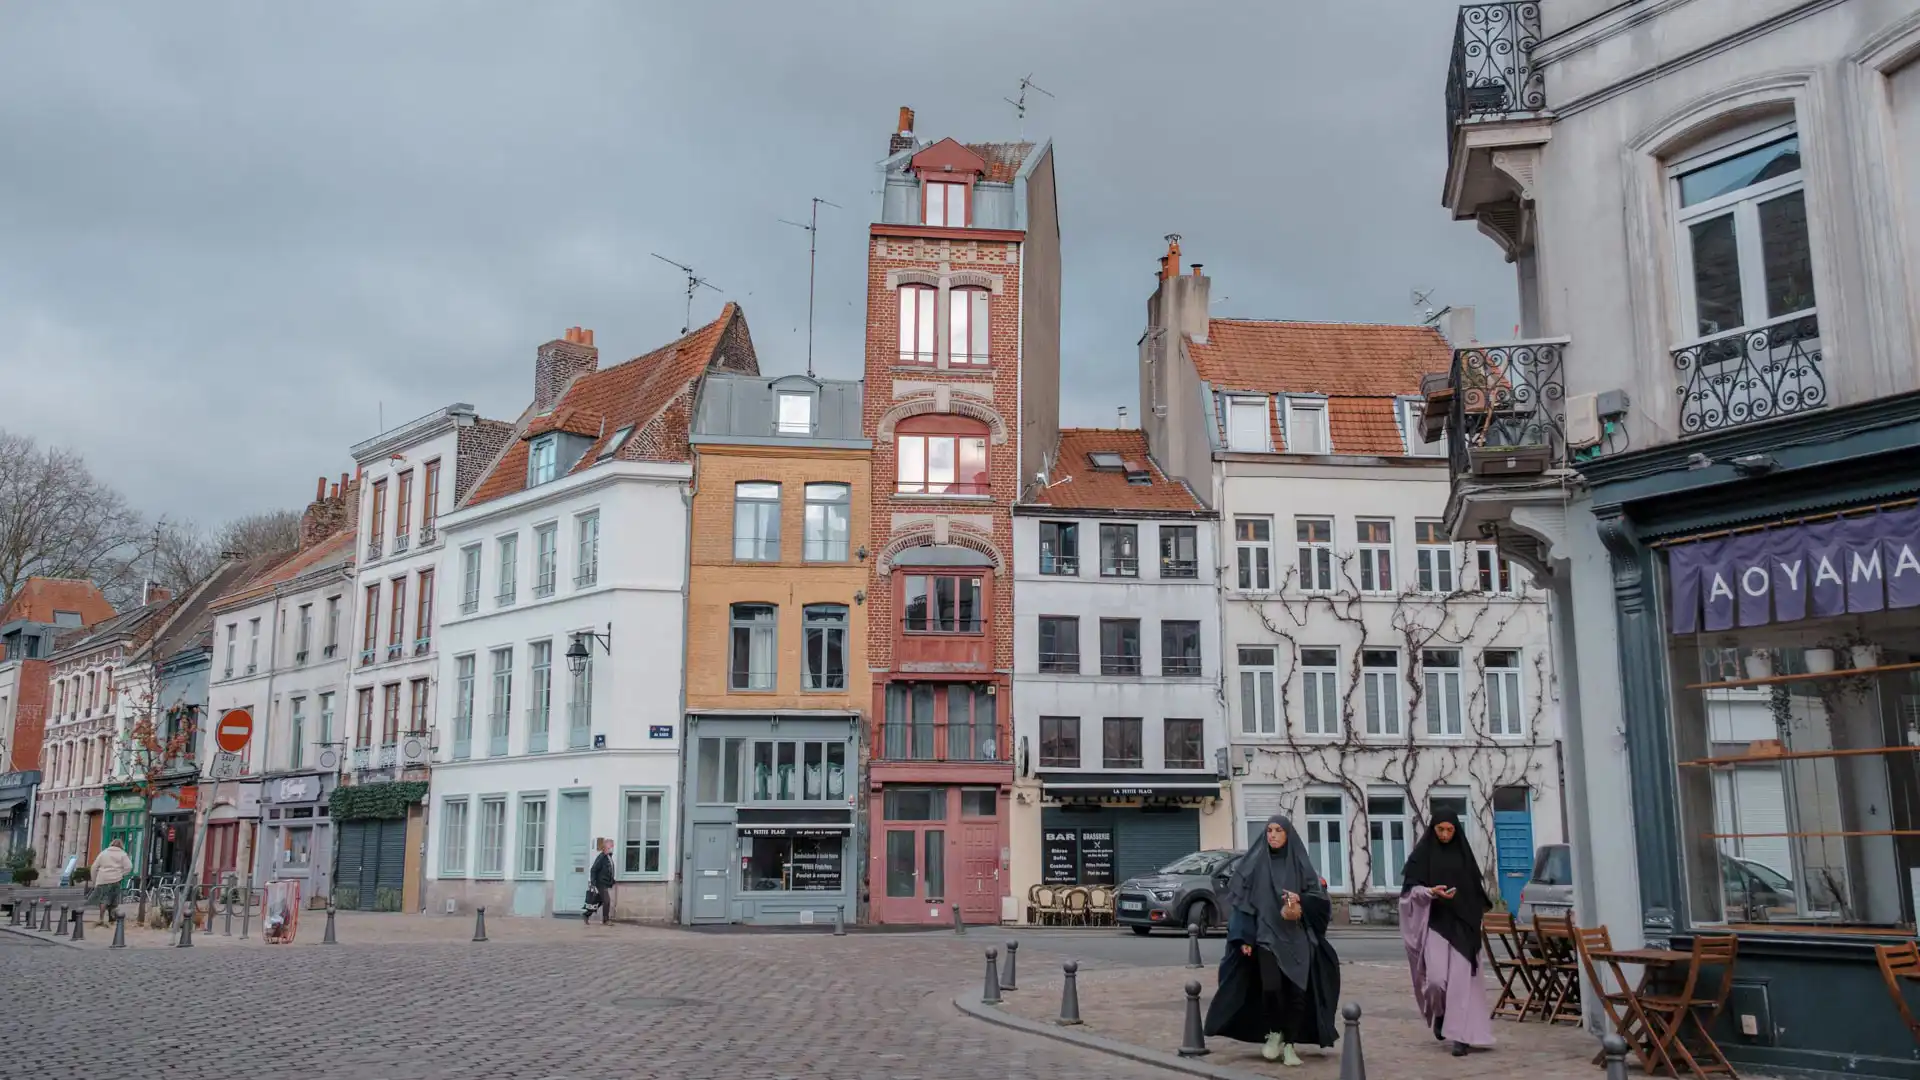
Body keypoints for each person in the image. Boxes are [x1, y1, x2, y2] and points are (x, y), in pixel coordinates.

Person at [1204, 814, 1341, 1066]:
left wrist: (1300, 901)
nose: (1273, 835)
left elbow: (1319, 900)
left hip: (1297, 939)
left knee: (1297, 995)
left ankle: (1290, 1045)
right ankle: (1274, 1033)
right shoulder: (1256, 865)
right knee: (1271, 988)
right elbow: (1243, 904)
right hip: (1265, 937)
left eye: (1279, 830)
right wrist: (1243, 937)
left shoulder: (1301, 864)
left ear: (1288, 834)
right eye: (1269, 830)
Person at [1399, 809, 1495, 1057]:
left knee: (1461, 985)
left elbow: (1476, 893)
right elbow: (1409, 892)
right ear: (1433, 829)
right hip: (1436, 924)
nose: (1444, 834)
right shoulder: (1423, 856)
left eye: (1449, 830)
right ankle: (1439, 1013)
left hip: (1463, 927)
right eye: (1440, 829)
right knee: (1435, 981)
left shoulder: (1464, 857)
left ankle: (1461, 1036)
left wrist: (1472, 916)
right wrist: (1431, 892)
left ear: (1456, 830)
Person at [88, 838, 133, 927]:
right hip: (115, 879)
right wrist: (121, 874)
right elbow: (129, 867)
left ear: (111, 844)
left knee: (103, 899)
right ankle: (111, 918)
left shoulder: (103, 853)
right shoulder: (122, 854)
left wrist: (94, 880)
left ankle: (101, 918)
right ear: (121, 846)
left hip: (102, 879)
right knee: (113, 899)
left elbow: (94, 867)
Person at [584, 838, 614, 925]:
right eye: (610, 846)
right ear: (605, 847)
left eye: (612, 846)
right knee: (607, 901)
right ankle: (606, 920)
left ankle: (586, 914)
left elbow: (610, 870)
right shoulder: (601, 857)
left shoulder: (609, 856)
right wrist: (593, 883)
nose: (612, 847)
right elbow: (593, 869)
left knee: (599, 901)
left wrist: (612, 880)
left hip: (605, 882)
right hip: (600, 883)